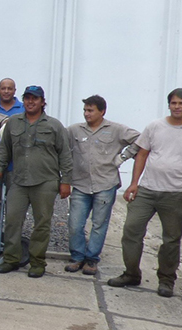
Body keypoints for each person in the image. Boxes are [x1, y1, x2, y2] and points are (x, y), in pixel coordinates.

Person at [108, 88, 182, 298]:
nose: (177, 107)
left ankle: (166, 281)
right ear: (169, 105)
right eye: (173, 103)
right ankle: (131, 274)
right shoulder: (155, 126)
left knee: (171, 239)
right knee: (131, 231)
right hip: (147, 190)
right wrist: (134, 183)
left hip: (177, 193)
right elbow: (142, 154)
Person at [0, 85, 72, 278]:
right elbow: (4, 149)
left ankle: (37, 262)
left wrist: (66, 181)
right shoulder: (13, 123)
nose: (30, 101)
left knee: (41, 224)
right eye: (27, 98)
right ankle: (11, 259)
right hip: (18, 180)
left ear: (43, 102)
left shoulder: (54, 125)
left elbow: (65, 154)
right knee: (12, 221)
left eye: (35, 98)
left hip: (45, 181)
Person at [66, 95, 140, 275]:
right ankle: (77, 257)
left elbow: (141, 140)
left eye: (90, 110)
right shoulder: (75, 130)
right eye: (85, 110)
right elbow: (62, 149)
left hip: (105, 184)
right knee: (75, 223)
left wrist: (123, 157)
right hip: (81, 185)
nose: (86, 114)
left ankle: (91, 260)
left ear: (102, 111)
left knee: (99, 224)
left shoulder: (116, 129)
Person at [0, 78, 25, 174]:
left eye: (9, 89)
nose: (6, 91)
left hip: (17, 163)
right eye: (3, 88)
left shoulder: (24, 109)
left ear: (15, 91)